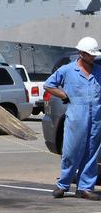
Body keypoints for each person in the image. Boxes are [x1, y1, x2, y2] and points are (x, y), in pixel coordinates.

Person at [43, 36, 101, 200]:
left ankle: (85, 188)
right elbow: (48, 85)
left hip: (96, 118)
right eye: (91, 54)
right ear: (82, 54)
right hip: (76, 118)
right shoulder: (67, 70)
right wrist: (63, 94)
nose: (93, 57)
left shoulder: (99, 71)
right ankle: (63, 185)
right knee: (71, 152)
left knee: (91, 153)